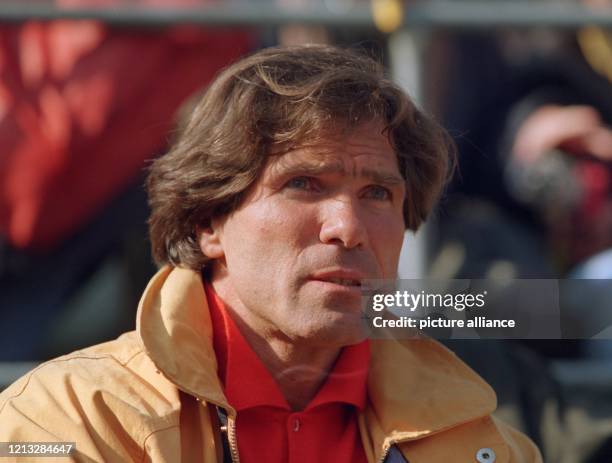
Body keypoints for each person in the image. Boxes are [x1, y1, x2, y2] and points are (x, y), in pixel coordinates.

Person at [0, 45, 542, 462]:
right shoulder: (66, 419)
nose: (348, 229)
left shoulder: (485, 444)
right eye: (303, 184)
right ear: (207, 221)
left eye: (377, 193)